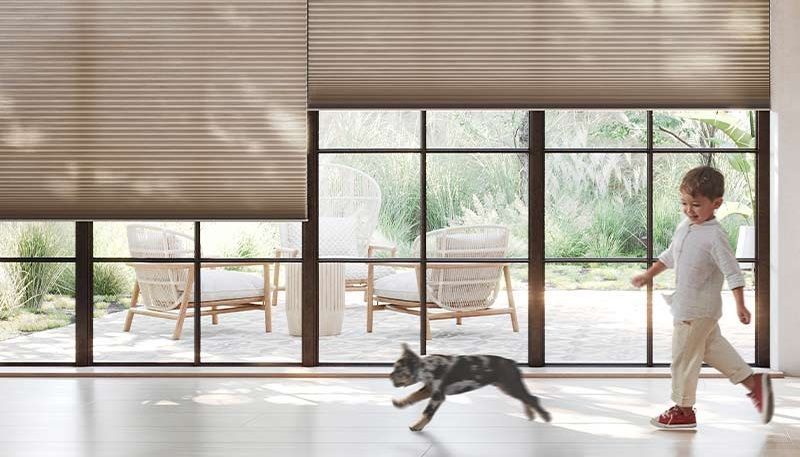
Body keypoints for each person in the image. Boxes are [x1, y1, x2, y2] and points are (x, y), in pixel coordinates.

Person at [631, 165, 773, 429]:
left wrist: (740, 305)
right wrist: (648, 275)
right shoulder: (685, 227)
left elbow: (732, 271)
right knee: (713, 350)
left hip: (696, 310)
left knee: (684, 357)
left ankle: (683, 410)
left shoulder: (715, 236)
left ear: (716, 203)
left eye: (696, 204)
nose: (689, 210)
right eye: (684, 203)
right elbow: (670, 255)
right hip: (690, 307)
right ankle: (755, 385)